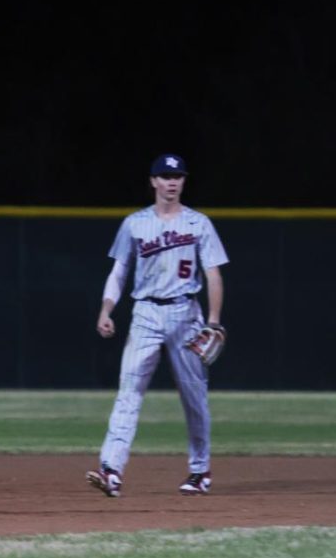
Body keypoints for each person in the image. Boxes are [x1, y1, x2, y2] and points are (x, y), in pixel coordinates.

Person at [86, 154, 229, 498]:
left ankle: (200, 471)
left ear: (183, 181)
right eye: (165, 176)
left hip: (185, 313)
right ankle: (111, 470)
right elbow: (118, 272)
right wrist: (107, 308)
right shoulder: (135, 224)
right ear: (153, 181)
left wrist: (212, 322)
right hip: (146, 315)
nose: (172, 182)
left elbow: (213, 275)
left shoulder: (199, 224)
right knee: (128, 393)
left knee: (194, 398)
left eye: (177, 175)